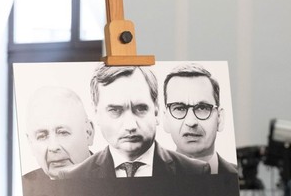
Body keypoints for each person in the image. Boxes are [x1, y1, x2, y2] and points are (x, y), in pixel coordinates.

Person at [63, 64, 210, 179]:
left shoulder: (196, 172)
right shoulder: (73, 178)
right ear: (96, 113)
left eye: (140, 108)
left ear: (156, 111)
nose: (130, 126)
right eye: (115, 110)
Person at [162, 63, 238, 175]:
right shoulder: (150, 179)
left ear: (220, 118)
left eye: (202, 108)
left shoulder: (239, 177)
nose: (191, 122)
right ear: (166, 119)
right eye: (179, 108)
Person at [21, 86, 94, 181]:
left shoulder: (112, 176)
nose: (53, 147)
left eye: (63, 133)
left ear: (88, 133)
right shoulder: (24, 185)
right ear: (30, 143)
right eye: (42, 136)